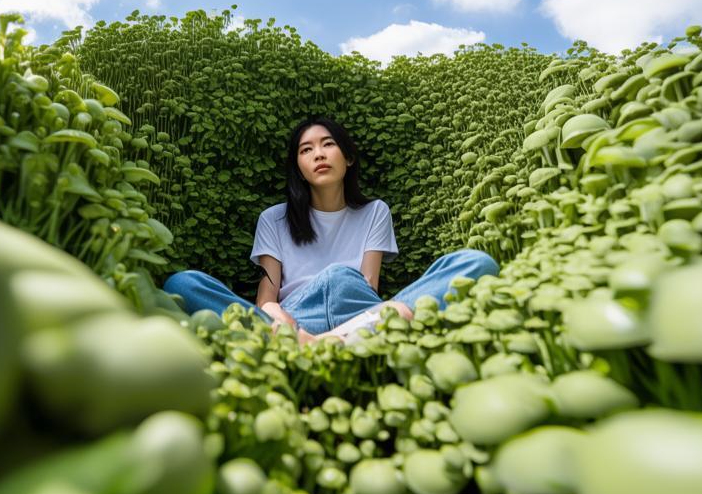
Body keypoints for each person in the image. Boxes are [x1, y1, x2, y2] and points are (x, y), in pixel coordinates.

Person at [163, 116, 499, 344]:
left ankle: (327, 342)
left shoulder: (374, 212)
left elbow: (368, 285)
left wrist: (367, 308)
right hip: (293, 317)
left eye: (328, 144)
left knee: (475, 263)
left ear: (348, 157)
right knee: (183, 283)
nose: (318, 154)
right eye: (306, 150)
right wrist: (281, 321)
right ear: (299, 166)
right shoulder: (273, 219)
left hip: (360, 310)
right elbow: (266, 299)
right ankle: (320, 343)